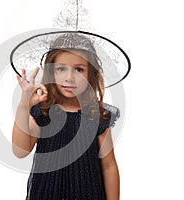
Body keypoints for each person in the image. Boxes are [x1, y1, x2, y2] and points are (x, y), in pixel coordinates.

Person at [12, 33, 120, 200]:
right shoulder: (44, 112)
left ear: (90, 73)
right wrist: (24, 105)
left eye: (79, 69)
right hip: (47, 193)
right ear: (51, 71)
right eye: (61, 69)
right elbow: (20, 151)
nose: (69, 78)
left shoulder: (96, 115)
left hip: (88, 193)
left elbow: (109, 166)